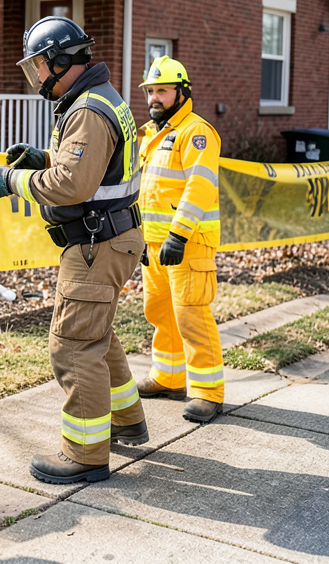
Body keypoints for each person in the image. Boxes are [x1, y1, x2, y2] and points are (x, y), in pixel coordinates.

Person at [0, 16, 146, 485]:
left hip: (96, 242)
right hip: (112, 237)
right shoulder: (95, 99)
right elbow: (89, 165)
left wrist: (11, 179)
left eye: (38, 67)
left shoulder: (88, 108)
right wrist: (41, 159)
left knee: (73, 347)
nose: (37, 79)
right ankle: (127, 420)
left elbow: (73, 182)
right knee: (98, 334)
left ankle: (86, 455)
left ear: (61, 61)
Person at [136, 57, 224, 423]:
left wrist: (177, 233)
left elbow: (199, 188)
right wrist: (142, 236)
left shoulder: (196, 132)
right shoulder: (151, 133)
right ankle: (169, 377)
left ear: (181, 91)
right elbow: (145, 190)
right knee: (159, 313)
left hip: (188, 242)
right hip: (155, 243)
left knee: (191, 315)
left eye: (162, 90)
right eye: (151, 91)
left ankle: (208, 392)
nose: (155, 97)